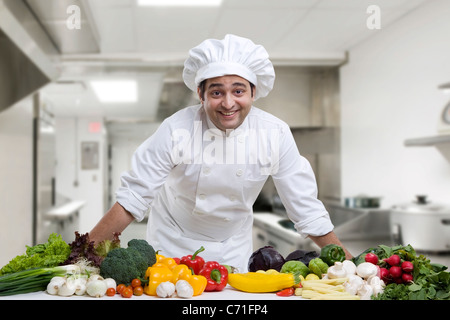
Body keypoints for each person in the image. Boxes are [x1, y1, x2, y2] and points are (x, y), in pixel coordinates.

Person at [89, 34, 351, 272]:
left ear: (253, 92)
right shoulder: (175, 130)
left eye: (238, 91)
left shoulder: (275, 134)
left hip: (231, 248)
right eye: (216, 92)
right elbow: (134, 197)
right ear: (200, 94)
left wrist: (350, 265)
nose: (228, 103)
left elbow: (305, 208)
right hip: (172, 243)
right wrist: (81, 255)